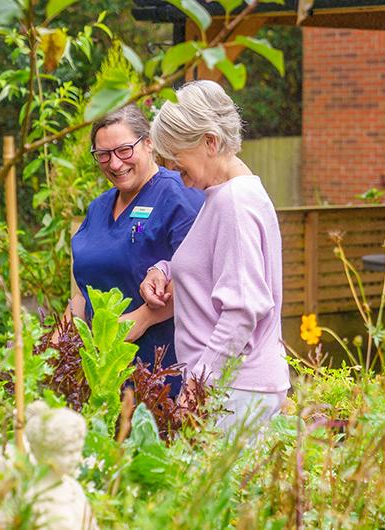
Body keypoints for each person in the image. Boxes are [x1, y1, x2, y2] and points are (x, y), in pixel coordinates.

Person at [140, 80, 290, 430]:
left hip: (233, 391)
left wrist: (195, 389)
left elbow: (242, 310)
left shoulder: (233, 203)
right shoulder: (223, 197)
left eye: (178, 160)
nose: (176, 172)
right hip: (231, 388)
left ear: (209, 141)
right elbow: (209, 264)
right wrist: (163, 270)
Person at [70, 104, 204, 379]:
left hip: (160, 367)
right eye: (103, 155)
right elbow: (84, 289)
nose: (115, 163)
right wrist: (61, 338)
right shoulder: (98, 207)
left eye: (124, 150)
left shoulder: (179, 197)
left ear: (149, 143)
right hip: (104, 367)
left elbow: (201, 276)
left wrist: (142, 319)